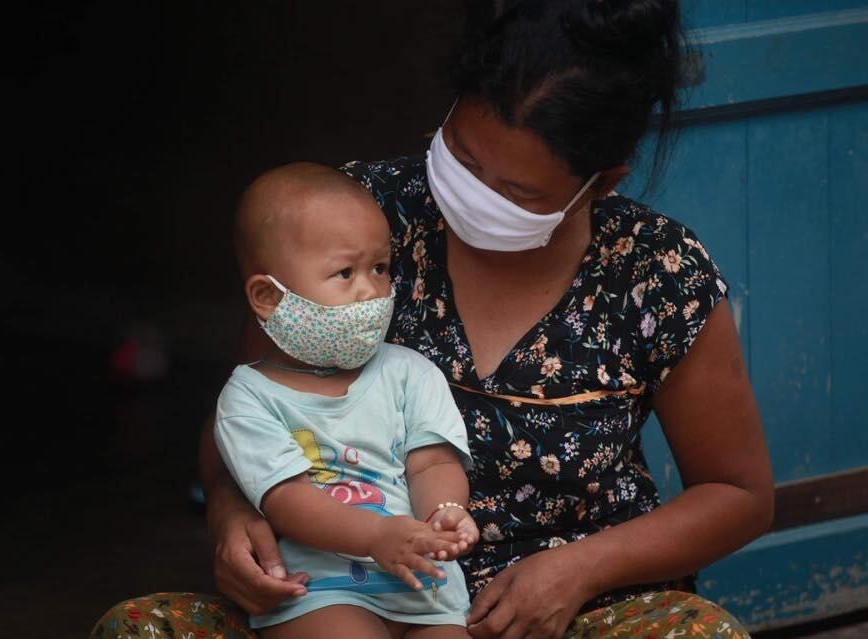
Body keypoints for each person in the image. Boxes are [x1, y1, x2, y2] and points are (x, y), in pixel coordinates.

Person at [91, 1, 773, 638]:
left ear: (604, 179)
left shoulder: (656, 271)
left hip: (557, 617)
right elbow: (248, 408)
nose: (471, 196)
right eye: (464, 157)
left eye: (514, 190)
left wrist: (580, 568)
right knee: (141, 626)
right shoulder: (356, 217)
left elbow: (738, 492)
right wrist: (230, 516)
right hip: (338, 591)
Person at [214, 162, 478, 638]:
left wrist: (445, 510)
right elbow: (286, 499)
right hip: (321, 591)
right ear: (269, 298)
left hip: (425, 588)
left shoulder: (409, 372)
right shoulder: (249, 397)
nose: (370, 290)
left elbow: (431, 463)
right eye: (344, 272)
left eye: (379, 268)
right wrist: (376, 536)